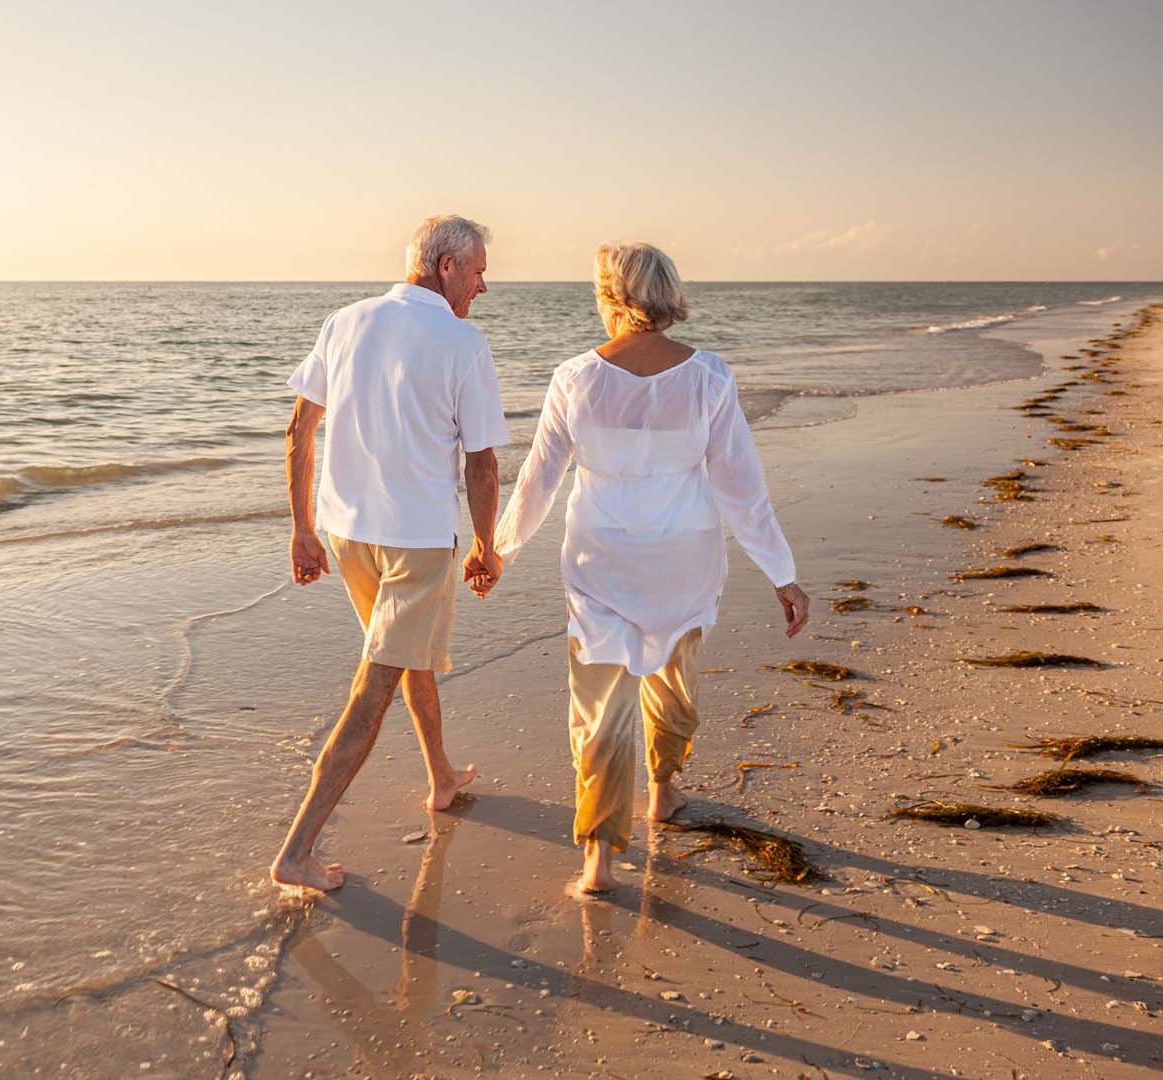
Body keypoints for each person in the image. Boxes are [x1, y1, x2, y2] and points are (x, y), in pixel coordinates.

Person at [491, 241, 810, 894]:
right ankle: (662, 792)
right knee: (673, 684)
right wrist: (782, 572)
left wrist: (498, 551)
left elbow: (538, 484)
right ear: (666, 295)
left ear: (610, 296)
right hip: (683, 561)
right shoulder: (710, 377)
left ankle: (600, 858)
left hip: (600, 559)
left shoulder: (575, 376)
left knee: (600, 707)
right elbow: (741, 488)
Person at [269, 214, 509, 892]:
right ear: (447, 267)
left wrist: (303, 529)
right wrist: (488, 545)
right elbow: (483, 465)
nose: (484, 285)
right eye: (480, 270)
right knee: (376, 683)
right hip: (417, 544)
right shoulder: (463, 343)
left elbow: (297, 431)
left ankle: (440, 776)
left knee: (409, 657)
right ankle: (297, 851)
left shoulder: (344, 321)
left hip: (347, 535)